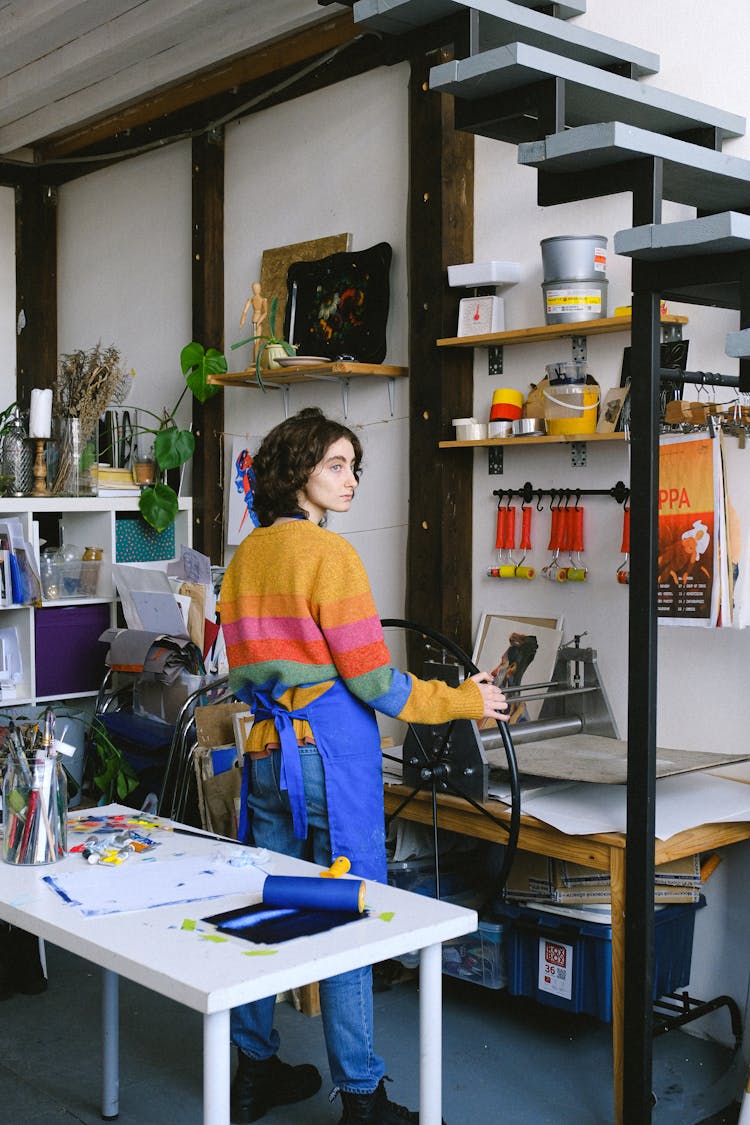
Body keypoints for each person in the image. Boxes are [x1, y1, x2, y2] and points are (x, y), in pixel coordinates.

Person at [219, 406, 508, 1125]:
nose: (350, 480)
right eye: (335, 465)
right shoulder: (330, 557)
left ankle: (252, 1069)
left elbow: (241, 677)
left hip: (266, 753)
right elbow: (376, 683)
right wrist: (464, 698)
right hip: (330, 756)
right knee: (348, 916)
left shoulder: (245, 555)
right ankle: (361, 1096)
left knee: (274, 911)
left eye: (353, 465)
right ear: (298, 474)